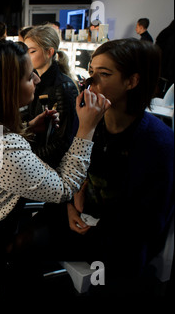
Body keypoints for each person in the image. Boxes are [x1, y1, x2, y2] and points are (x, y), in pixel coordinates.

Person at [0, 38, 110, 297]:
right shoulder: (5, 147)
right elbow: (64, 188)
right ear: (6, 88)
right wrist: (87, 129)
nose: (37, 81)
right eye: (30, 77)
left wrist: (29, 128)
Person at [30, 38, 174, 295]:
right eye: (91, 72)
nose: (90, 82)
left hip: (119, 238)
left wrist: (91, 222)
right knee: (22, 244)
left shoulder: (158, 142)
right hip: (81, 217)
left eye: (104, 74)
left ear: (132, 81)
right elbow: (70, 171)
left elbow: (147, 221)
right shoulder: (86, 119)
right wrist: (71, 205)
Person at [22, 25, 79, 168]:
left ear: (49, 52)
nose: (26, 57)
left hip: (47, 165)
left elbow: (63, 141)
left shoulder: (63, 88)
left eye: (32, 51)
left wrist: (29, 157)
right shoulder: (35, 81)